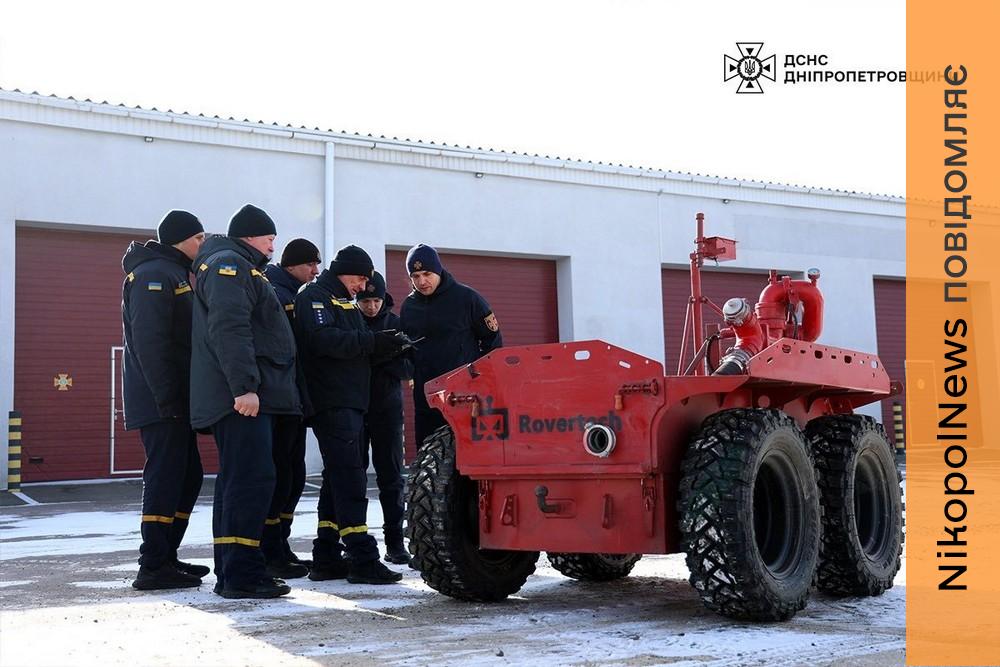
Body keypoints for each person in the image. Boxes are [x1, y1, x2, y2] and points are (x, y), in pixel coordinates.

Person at [190, 203, 302, 599]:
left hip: (247, 395)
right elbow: (230, 327)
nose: (274, 243)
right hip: (241, 398)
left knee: (241, 480)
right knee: (250, 480)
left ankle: (235, 570)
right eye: (269, 236)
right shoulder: (229, 266)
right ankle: (241, 574)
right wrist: (244, 387)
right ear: (250, 236)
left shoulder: (238, 266)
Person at [294, 246, 406, 584]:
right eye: (360, 278)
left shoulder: (341, 300)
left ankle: (327, 554)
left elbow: (354, 345)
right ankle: (362, 558)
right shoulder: (316, 296)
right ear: (346, 271)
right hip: (333, 402)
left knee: (336, 481)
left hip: (351, 402)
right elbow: (323, 339)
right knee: (351, 480)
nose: (363, 286)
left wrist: (388, 347)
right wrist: (372, 342)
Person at [123, 210, 208, 590]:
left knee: (187, 476)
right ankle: (153, 564)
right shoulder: (154, 274)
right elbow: (150, 342)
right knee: (165, 476)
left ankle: (167, 556)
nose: (203, 245)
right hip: (162, 401)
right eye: (200, 238)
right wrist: (167, 399)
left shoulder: (174, 272)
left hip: (176, 400)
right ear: (182, 239)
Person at [399, 244, 503, 448]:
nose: (422, 281)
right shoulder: (409, 307)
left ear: (438, 270)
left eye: (427, 273)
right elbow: (408, 349)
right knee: (428, 460)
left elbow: (493, 341)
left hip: (463, 396)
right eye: (415, 276)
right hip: (426, 398)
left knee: (467, 456)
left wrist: (480, 380)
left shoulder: (467, 299)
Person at [261, 239, 321, 578]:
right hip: (279, 401)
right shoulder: (278, 293)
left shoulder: (295, 293)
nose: (315, 271)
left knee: (294, 477)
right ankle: (270, 549)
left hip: (293, 400)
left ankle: (280, 545)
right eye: (311, 264)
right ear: (292, 264)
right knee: (281, 476)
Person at [356, 271, 413, 565]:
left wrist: (383, 358)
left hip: (388, 411)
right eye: (366, 300)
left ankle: (395, 542)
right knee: (353, 477)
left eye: (376, 300)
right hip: (355, 409)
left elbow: (408, 368)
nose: (372, 307)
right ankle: (354, 542)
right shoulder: (350, 320)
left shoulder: (395, 324)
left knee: (391, 478)